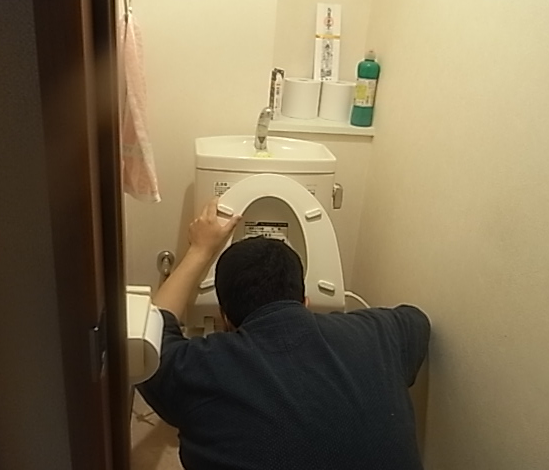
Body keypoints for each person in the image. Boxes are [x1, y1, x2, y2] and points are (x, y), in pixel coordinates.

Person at [137, 198, 431, 470]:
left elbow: (149, 328)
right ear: (305, 302)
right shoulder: (382, 333)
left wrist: (200, 250)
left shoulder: (195, 369)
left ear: (224, 319)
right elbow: (418, 320)